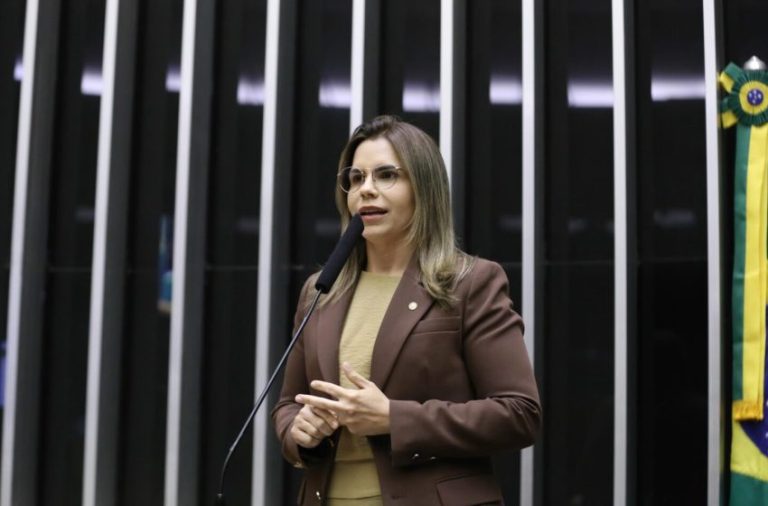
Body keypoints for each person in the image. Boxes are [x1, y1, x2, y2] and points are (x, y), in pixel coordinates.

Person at [272, 115, 541, 505]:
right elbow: (288, 405)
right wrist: (299, 431)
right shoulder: (320, 290)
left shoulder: (470, 283)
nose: (366, 189)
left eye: (386, 175)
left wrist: (394, 419)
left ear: (424, 189)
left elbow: (519, 414)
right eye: (356, 178)